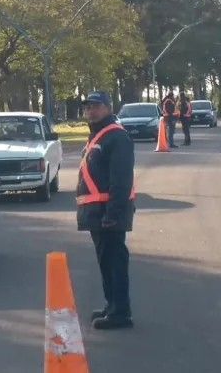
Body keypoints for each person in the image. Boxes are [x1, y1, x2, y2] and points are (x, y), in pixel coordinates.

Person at [78, 91, 136, 330]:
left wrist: (113, 214)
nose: (91, 110)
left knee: (115, 262)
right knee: (106, 261)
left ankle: (120, 312)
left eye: (96, 106)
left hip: (109, 213)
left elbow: (121, 180)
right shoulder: (98, 135)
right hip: (98, 212)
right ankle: (111, 305)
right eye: (88, 107)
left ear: (108, 108)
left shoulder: (116, 137)